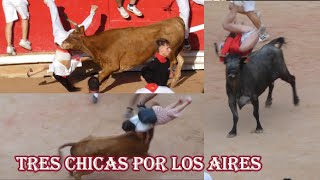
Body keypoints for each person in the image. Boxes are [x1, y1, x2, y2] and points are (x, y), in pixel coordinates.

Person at [26, 0, 97, 92]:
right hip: (60, 41)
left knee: (80, 29)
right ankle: (50, 3)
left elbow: (79, 59)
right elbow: (44, 67)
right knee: (55, 19)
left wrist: (90, 56)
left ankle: (92, 12)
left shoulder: (68, 71)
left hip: (67, 44)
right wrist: (30, 73)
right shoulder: (56, 67)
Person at [122, 96, 192, 133]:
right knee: (166, 109)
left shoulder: (139, 129)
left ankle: (187, 103)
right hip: (155, 109)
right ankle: (178, 101)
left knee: (171, 113)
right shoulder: (132, 119)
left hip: (158, 118)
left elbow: (150, 126)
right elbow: (140, 113)